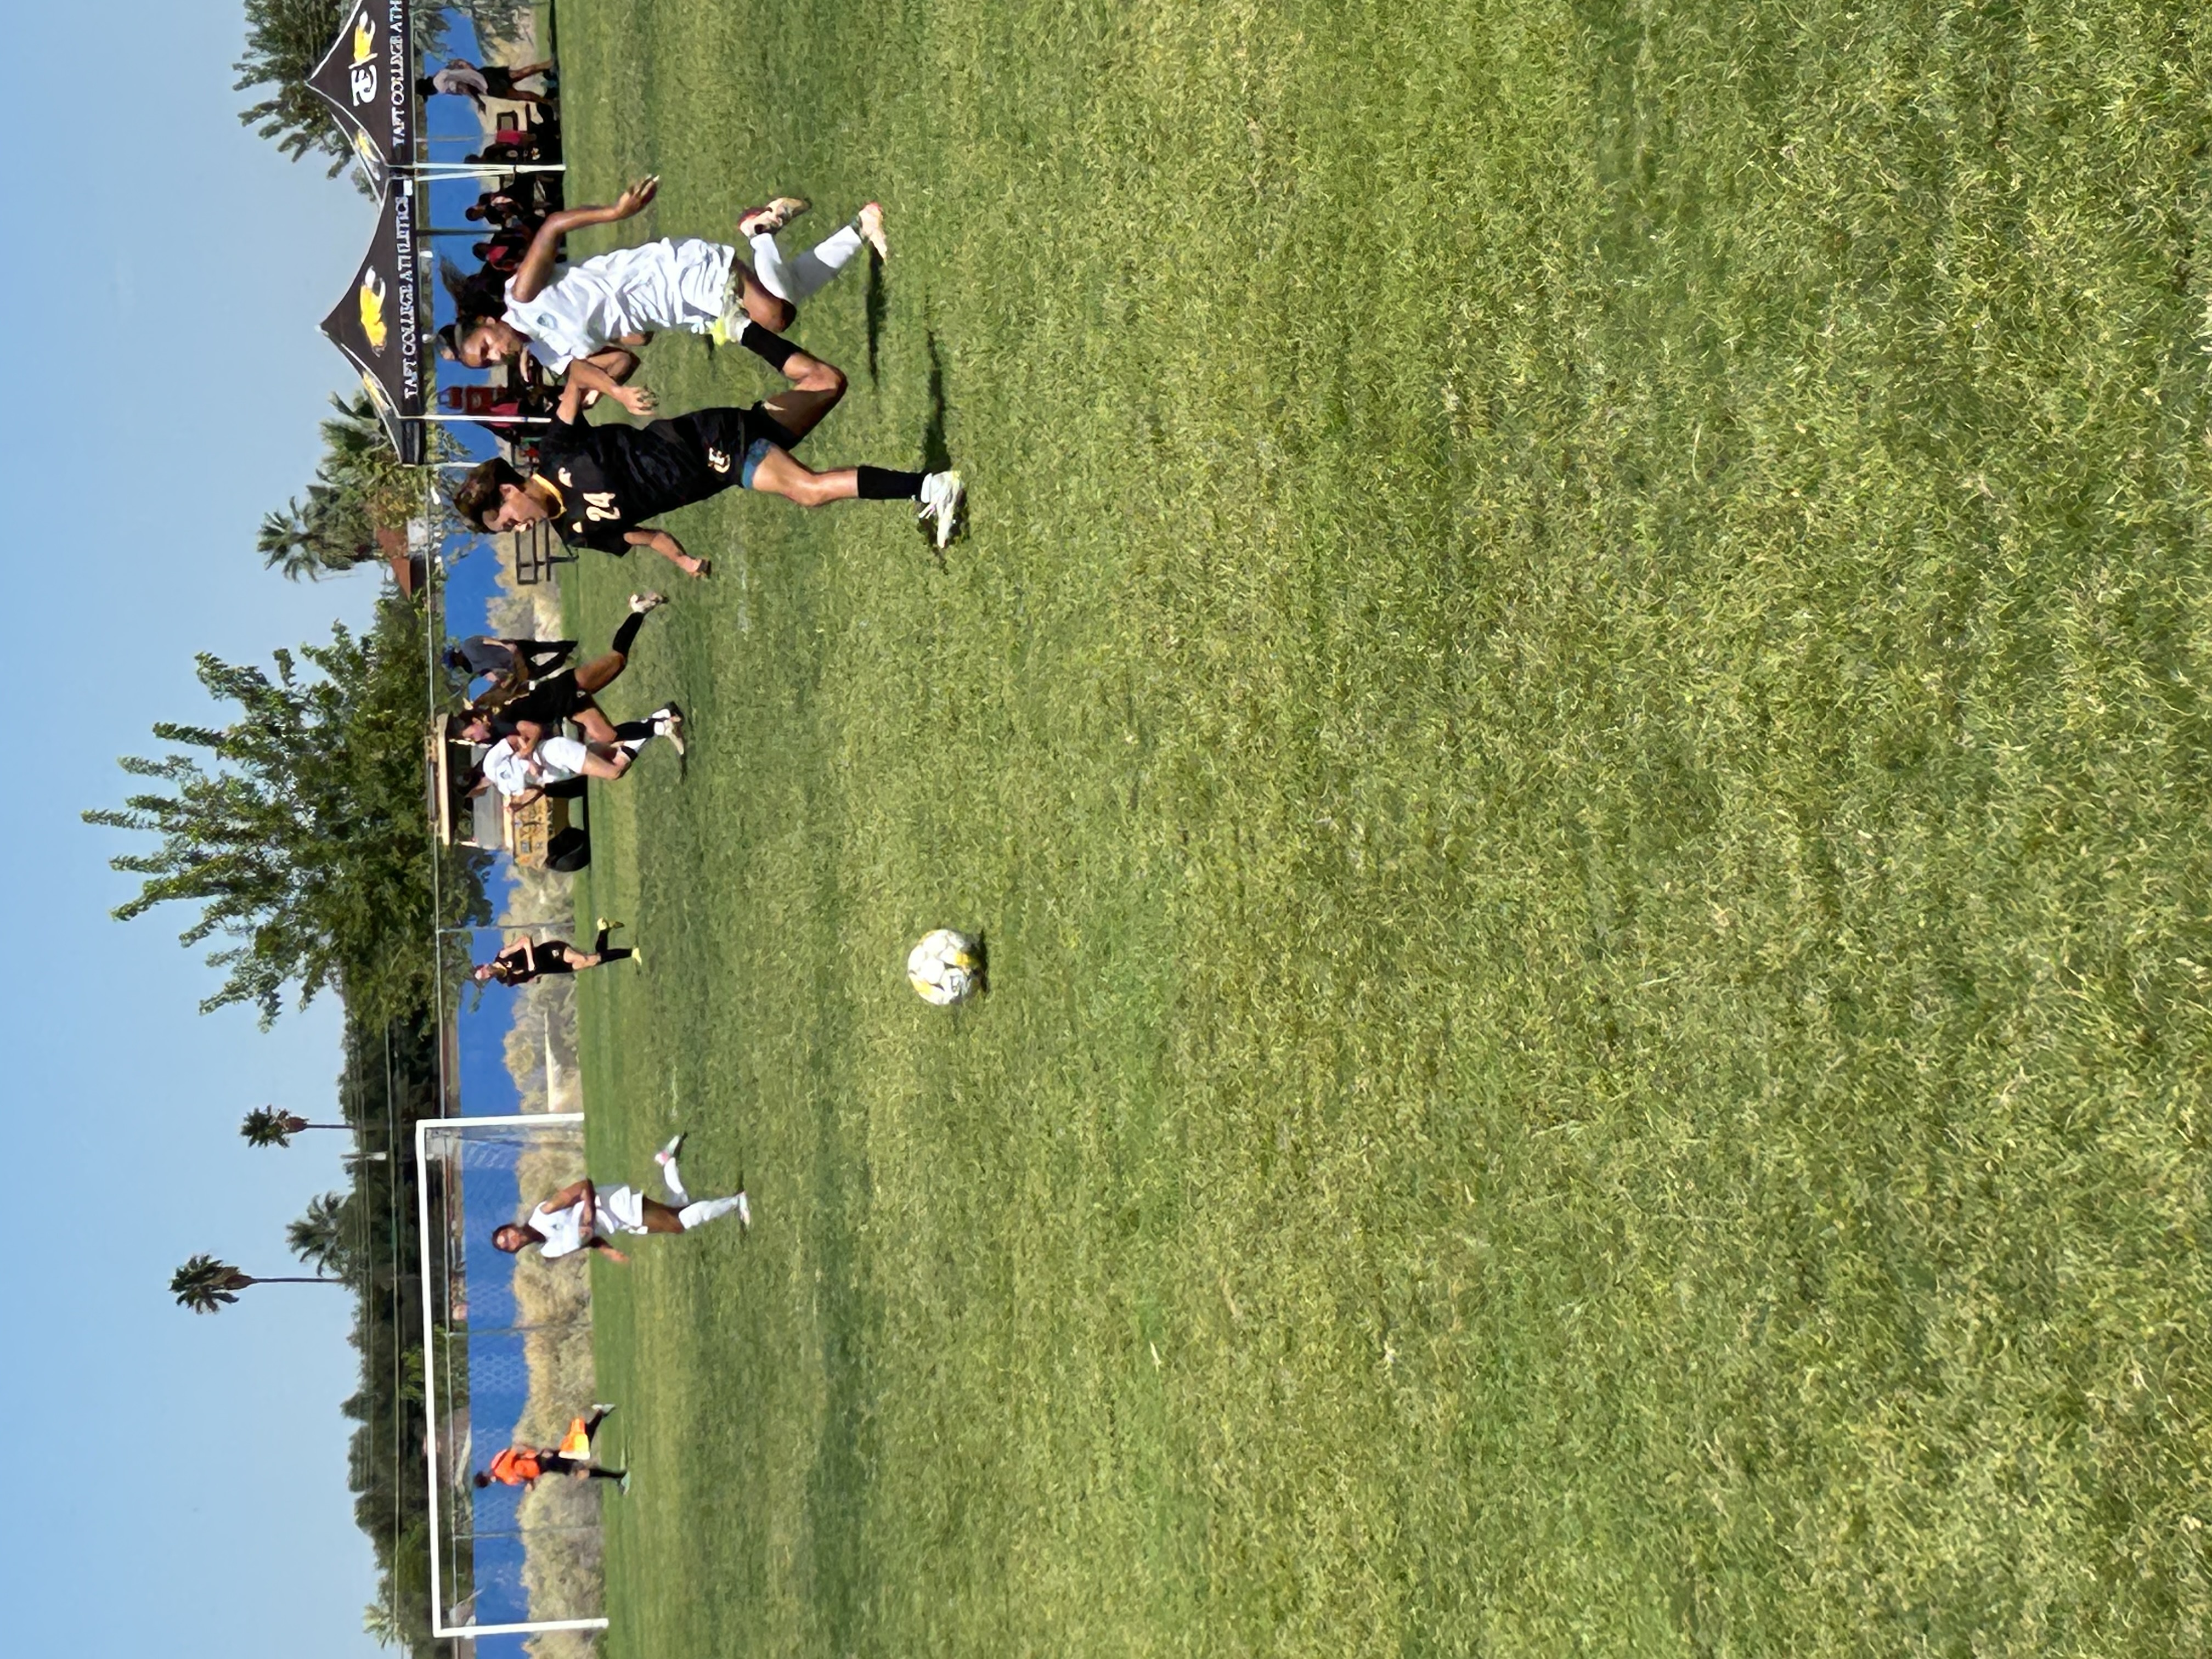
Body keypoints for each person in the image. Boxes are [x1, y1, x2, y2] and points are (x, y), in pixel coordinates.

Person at [452, 325, 967, 567]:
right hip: (716, 469)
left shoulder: (556, 449)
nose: (519, 528)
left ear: (509, 488)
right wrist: (680, 560)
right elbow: (643, 537)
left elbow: (578, 375)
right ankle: (740, 326)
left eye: (509, 519)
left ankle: (932, 487)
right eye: (510, 532)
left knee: (808, 491)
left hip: (709, 445)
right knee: (827, 383)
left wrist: (616, 393)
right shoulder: (576, 533)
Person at [444, 178, 881, 395]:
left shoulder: (521, 296)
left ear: (487, 322)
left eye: (485, 345)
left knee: (776, 317)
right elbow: (632, 348)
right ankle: (863, 227)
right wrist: (602, 387)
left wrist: (616, 214)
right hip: (679, 311)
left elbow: (554, 226)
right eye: (488, 363)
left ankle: (759, 229)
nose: (495, 355)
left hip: (670, 271)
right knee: (785, 298)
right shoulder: (551, 354)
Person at [492, 1139, 748, 1263]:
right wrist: (607, 1250)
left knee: (679, 1223)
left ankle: (738, 1202)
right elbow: (583, 1238)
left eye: (507, 1235)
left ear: (511, 1227)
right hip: (619, 1222)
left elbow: (583, 1186)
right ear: (514, 1251)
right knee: (679, 1208)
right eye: (508, 1245)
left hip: (613, 1204)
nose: (512, 1239)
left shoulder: (545, 1213)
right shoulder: (547, 1251)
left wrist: (589, 1214)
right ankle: (667, 1160)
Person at [473, 703, 685, 810]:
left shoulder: (491, 765)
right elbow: (538, 786)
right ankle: (660, 718)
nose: (474, 798)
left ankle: (662, 727)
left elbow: (515, 739)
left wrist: (528, 760)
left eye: (471, 795)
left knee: (614, 771)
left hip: (555, 755)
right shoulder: (504, 789)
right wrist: (524, 803)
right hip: (562, 770)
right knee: (613, 750)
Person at [475, 1405, 625, 1492]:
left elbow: (516, 1448)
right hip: (546, 1466)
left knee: (580, 1470)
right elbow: (527, 1473)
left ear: (485, 1474)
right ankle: (601, 1414)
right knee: (579, 1455)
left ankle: (620, 1477)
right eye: (487, 1482)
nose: (489, 1480)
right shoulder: (506, 1480)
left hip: (544, 1460)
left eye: (486, 1479)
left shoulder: (499, 1466)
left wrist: (539, 1452)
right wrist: (530, 1484)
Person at [474, 920, 636, 985]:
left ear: (485, 966)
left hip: (550, 952)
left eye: (484, 971)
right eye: (485, 977)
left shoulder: (503, 956)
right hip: (552, 968)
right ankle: (604, 930)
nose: (487, 974)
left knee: (584, 958)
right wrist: (533, 978)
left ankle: (632, 952)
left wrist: (530, 961)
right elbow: (528, 978)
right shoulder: (506, 981)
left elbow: (524, 940)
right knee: (594, 961)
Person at [444, 633, 575, 691]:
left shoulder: (468, 645)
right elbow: (486, 672)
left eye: (456, 662)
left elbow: (485, 640)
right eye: (456, 665)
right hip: (513, 665)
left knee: (543, 647)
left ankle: (570, 646)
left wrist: (504, 645)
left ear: (456, 656)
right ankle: (564, 655)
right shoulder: (470, 668)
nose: (459, 664)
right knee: (536, 674)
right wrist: (496, 679)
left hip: (513, 649)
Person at [419, 57, 556, 108]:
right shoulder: (441, 73)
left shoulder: (441, 87)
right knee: (519, 74)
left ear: (429, 92)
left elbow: (464, 88)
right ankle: (548, 64)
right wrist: (473, 71)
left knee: (520, 96)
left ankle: (550, 103)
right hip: (485, 74)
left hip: (487, 87)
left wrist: (479, 103)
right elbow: (461, 64)